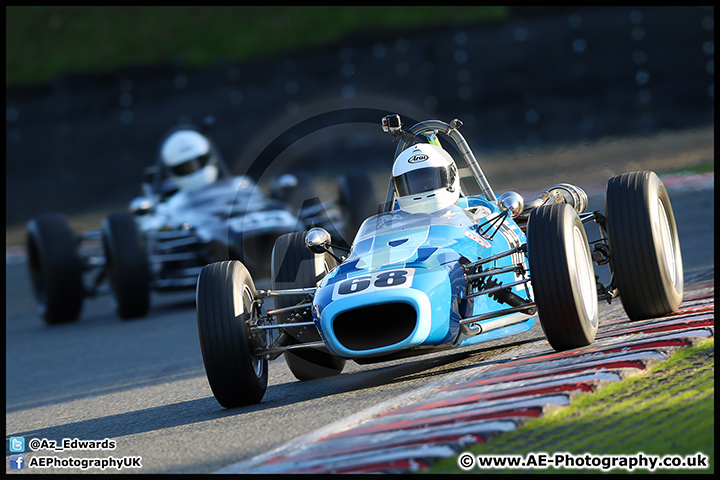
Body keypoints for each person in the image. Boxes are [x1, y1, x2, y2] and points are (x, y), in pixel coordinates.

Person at [391, 143, 460, 214]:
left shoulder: (470, 213)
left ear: (452, 177)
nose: (425, 187)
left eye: (430, 181)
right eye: (416, 185)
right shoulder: (389, 220)